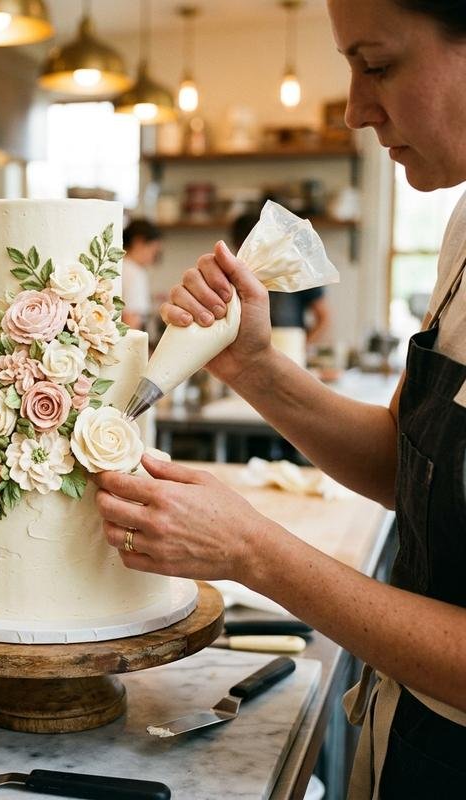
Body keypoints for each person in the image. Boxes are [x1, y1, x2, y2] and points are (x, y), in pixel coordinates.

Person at [94, 1, 466, 796]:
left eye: (377, 63)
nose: (355, 109)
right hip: (411, 738)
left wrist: (252, 550)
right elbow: (410, 469)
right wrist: (257, 367)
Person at [231, 212, 332, 345]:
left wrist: (301, 348)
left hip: (289, 348)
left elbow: (323, 318)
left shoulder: (293, 268)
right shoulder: (234, 276)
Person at [121, 218, 163, 332]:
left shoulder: (118, 266)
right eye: (153, 251)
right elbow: (131, 319)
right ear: (138, 242)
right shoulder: (134, 272)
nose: (153, 258)